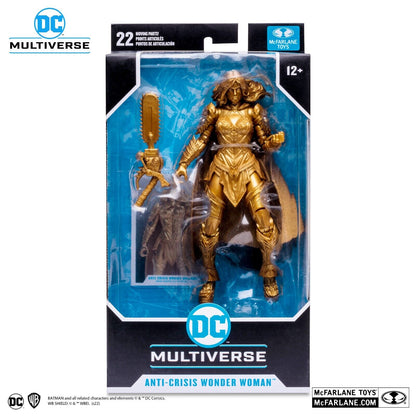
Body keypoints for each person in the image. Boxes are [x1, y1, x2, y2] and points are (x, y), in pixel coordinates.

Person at [176, 70, 285, 303]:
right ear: (224, 91)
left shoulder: (254, 111)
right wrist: (184, 163)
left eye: (239, 88)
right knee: (210, 225)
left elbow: (264, 142)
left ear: (244, 90)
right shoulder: (214, 112)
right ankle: (208, 279)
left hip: (248, 165)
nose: (235, 93)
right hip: (220, 166)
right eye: (231, 89)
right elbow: (201, 140)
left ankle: (268, 273)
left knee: (264, 220)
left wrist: (274, 142)